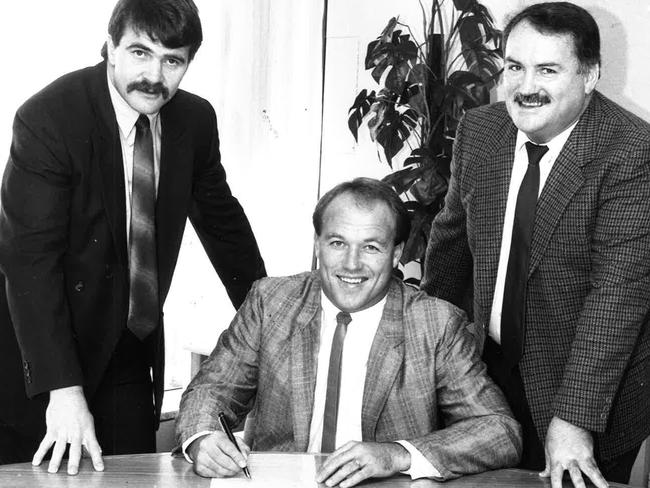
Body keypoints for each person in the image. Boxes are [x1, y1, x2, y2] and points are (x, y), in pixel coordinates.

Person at [0, 0, 265, 475]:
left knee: (132, 477)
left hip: (128, 345)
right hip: (39, 348)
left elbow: (226, 229)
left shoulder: (194, 121)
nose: (154, 77)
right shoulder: (49, 118)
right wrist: (62, 389)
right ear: (111, 47)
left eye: (172, 60)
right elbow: (28, 262)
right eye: (140, 53)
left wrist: (273, 322)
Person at [422, 2, 650, 487]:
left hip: (585, 378)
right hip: (485, 369)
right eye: (515, 67)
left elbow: (617, 298)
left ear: (590, 76)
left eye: (547, 69)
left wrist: (575, 420)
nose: (526, 87)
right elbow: (450, 246)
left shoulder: (632, 153)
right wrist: (422, 355)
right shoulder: (482, 130)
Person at [175, 177, 521, 487]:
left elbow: (499, 431)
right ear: (317, 243)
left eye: (371, 247)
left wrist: (396, 454)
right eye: (338, 243)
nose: (352, 264)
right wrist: (203, 439)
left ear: (396, 254)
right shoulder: (271, 302)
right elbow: (211, 390)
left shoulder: (436, 323)